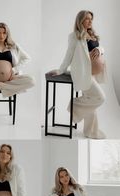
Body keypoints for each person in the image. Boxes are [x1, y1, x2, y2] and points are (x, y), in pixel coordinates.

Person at [49, 10, 106, 139]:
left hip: (92, 74)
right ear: (80, 21)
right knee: (100, 97)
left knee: (92, 102)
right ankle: (74, 105)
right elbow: (68, 55)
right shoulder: (74, 36)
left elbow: (102, 48)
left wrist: (99, 49)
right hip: (83, 73)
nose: (90, 21)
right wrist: (60, 70)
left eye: (91, 18)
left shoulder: (92, 34)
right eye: (87, 19)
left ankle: (89, 131)